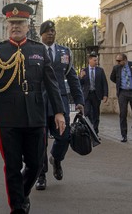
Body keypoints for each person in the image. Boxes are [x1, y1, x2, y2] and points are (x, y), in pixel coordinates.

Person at [0, 4, 66, 214]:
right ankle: (17, 208)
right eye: (12, 23)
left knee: (36, 164)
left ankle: (22, 194)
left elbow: (51, 83)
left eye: (20, 23)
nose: (15, 27)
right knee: (12, 165)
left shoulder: (38, 49)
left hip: (35, 115)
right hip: (7, 116)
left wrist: (59, 112)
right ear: (7, 25)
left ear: (28, 26)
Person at [36, 20, 84, 191]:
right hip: (39, 102)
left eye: (53, 31)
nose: (50, 33)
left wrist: (79, 100)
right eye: (47, 31)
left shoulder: (65, 52)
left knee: (64, 136)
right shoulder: (34, 51)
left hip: (60, 102)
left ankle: (56, 159)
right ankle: (41, 175)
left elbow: (72, 78)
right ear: (41, 34)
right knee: (40, 142)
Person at [79, 53, 108, 135]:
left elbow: (104, 83)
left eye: (97, 60)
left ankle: (95, 132)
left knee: (96, 113)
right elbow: (80, 84)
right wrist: (81, 77)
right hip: (87, 95)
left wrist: (105, 95)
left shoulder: (100, 70)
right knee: (87, 112)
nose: (96, 62)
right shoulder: (84, 70)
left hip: (96, 95)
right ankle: (88, 129)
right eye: (95, 60)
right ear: (90, 60)